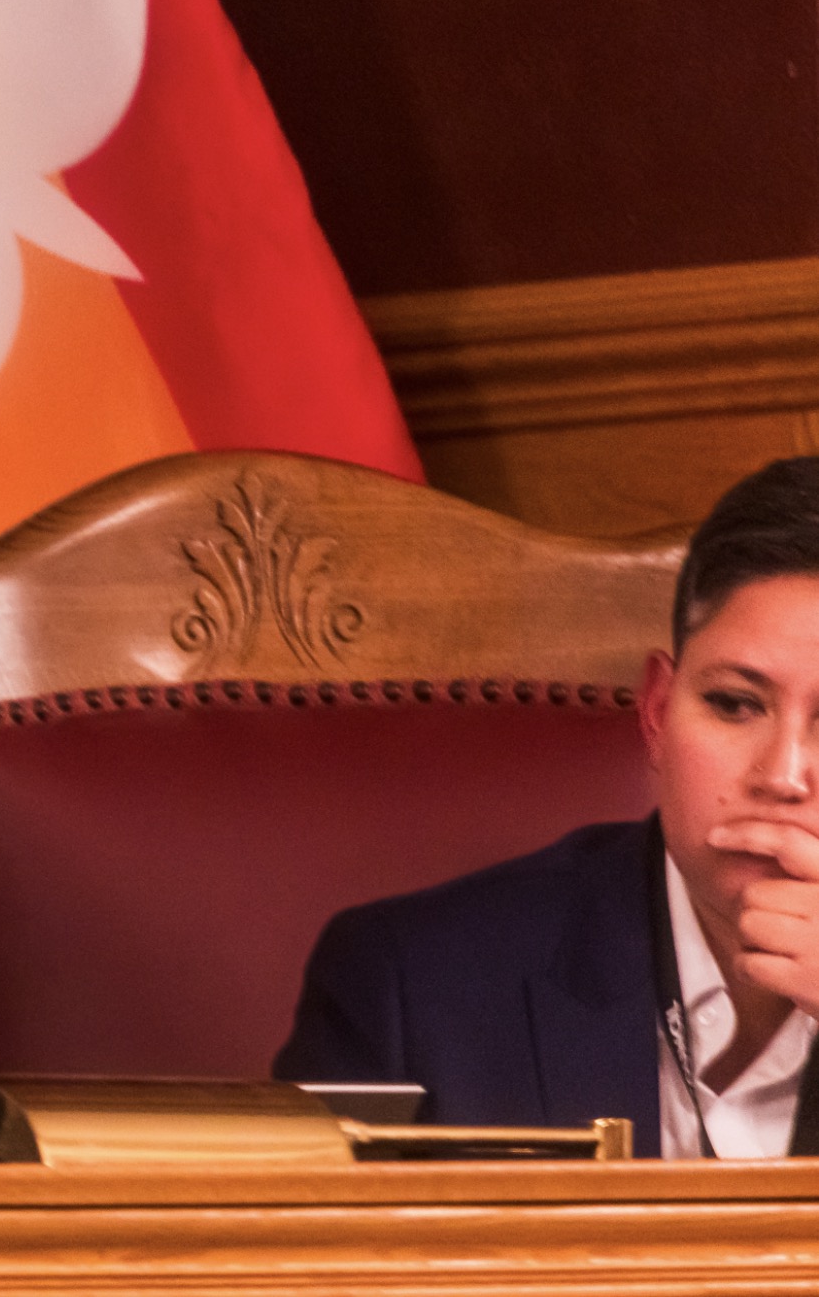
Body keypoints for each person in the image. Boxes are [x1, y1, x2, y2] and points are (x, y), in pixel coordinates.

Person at [275, 457, 819, 1158]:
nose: (781, 776)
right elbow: (304, 1265)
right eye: (734, 704)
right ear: (656, 713)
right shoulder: (409, 987)